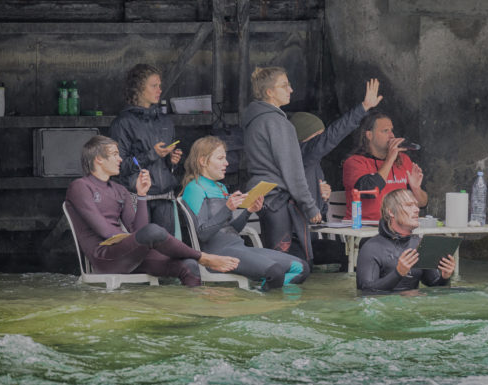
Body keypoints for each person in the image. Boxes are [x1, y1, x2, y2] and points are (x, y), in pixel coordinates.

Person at [65, 135, 238, 286]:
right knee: (153, 231)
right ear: (99, 159)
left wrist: (142, 195)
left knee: (188, 266)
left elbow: (137, 229)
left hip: (130, 255)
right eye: (115, 154)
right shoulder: (80, 186)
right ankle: (203, 257)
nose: (120, 159)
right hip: (105, 258)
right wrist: (141, 239)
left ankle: (197, 311)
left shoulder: (120, 190)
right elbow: (105, 231)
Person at [181, 136, 310, 290]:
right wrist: (228, 208)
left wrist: (248, 211)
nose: (226, 163)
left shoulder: (221, 188)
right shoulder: (195, 188)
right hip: (218, 255)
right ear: (202, 161)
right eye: (220, 158)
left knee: (301, 268)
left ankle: (261, 294)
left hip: (239, 248)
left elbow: (231, 230)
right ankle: (263, 298)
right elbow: (202, 234)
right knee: (275, 272)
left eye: (225, 158)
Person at [289, 78, 383, 268]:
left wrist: (323, 198)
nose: (322, 143)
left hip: (311, 237)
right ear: (304, 138)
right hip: (294, 239)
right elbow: (332, 136)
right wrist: (363, 108)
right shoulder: (300, 155)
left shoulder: (314, 164)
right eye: (318, 137)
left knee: (356, 255)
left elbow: (321, 216)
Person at [241, 66, 321, 263]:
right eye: (284, 85)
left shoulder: (254, 120)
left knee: (276, 261)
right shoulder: (278, 123)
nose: (291, 89)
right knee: (291, 266)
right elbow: (293, 173)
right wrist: (310, 207)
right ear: (269, 92)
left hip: (264, 197)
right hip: (278, 201)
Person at [111, 64, 184, 236]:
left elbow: (165, 165)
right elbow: (120, 166)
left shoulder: (166, 122)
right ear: (139, 89)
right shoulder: (123, 123)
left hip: (165, 197)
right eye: (154, 86)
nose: (160, 90)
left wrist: (172, 161)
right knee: (140, 248)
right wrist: (151, 155)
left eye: (160, 85)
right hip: (137, 198)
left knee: (166, 249)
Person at [356, 189, 455, 294]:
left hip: (414, 302)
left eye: (416, 205)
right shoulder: (371, 248)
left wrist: (445, 277)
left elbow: (435, 286)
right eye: (409, 205)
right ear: (391, 212)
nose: (417, 210)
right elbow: (366, 290)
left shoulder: (419, 244)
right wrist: (398, 273)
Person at [342, 111, 428, 221]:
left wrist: (416, 189)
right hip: (366, 226)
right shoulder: (355, 162)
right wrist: (390, 159)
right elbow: (370, 191)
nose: (392, 135)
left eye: (391, 130)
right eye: (385, 131)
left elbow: (422, 203)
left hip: (398, 225)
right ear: (369, 135)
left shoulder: (403, 160)